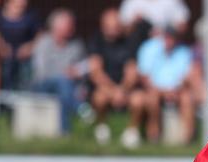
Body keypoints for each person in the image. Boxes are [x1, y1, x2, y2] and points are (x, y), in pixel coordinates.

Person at [88, 8, 146, 148]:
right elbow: (96, 72)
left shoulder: (129, 42)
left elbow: (132, 72)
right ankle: (101, 127)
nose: (113, 30)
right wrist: (113, 91)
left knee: (139, 99)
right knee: (99, 98)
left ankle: (132, 132)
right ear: (103, 26)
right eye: (109, 27)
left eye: (116, 26)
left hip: (126, 89)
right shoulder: (96, 41)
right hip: (106, 89)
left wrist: (123, 90)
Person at [30, 9, 86, 133]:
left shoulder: (77, 45)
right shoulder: (43, 43)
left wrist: (77, 73)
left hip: (69, 87)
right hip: (42, 85)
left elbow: (83, 69)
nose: (72, 27)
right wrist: (64, 74)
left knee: (65, 86)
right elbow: (41, 72)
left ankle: (65, 128)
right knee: (63, 81)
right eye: (69, 25)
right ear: (56, 27)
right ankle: (77, 111)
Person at [137, 25, 195, 144]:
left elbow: (186, 77)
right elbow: (144, 77)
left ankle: (188, 137)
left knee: (187, 98)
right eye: (167, 38)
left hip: (177, 90)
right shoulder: (149, 49)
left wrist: (175, 90)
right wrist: (162, 91)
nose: (169, 41)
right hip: (155, 89)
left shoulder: (184, 52)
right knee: (152, 98)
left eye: (172, 38)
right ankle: (153, 134)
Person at [0, 0, 40, 91]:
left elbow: (39, 35)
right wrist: (2, 47)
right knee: (6, 79)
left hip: (24, 56)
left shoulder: (31, 16)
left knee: (24, 81)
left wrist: (29, 47)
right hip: (5, 55)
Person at [119, 0, 189, 34]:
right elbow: (123, 29)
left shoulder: (173, 2)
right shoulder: (130, 2)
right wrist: (135, 23)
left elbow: (183, 25)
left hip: (166, 45)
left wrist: (163, 31)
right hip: (139, 45)